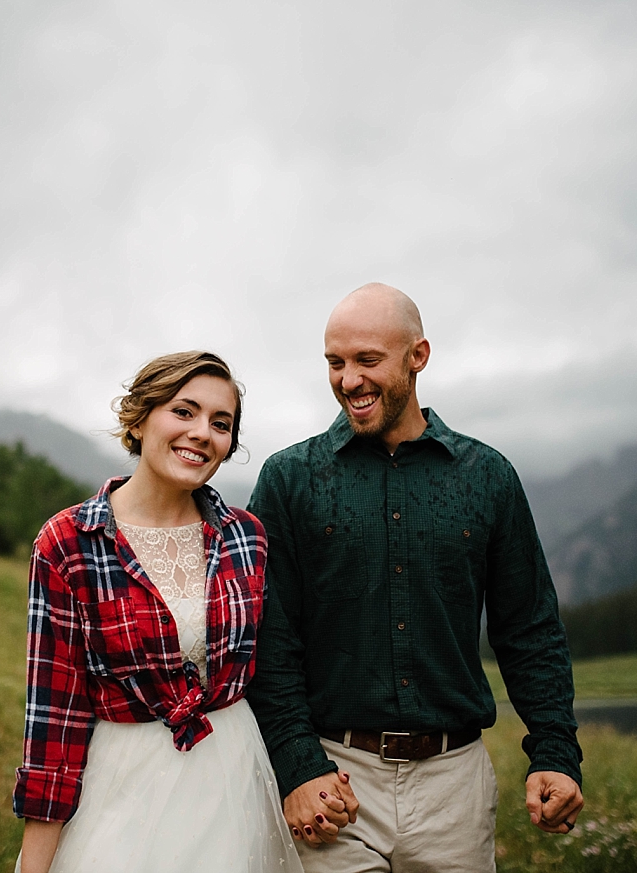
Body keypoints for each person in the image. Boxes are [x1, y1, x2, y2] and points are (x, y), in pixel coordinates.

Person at [246, 284, 584, 872]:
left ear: (418, 356)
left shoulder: (488, 476)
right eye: (335, 362)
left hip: (454, 786)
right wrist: (298, 766)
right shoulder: (289, 480)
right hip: (333, 777)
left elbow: (529, 628)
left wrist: (555, 750)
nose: (349, 380)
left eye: (367, 360)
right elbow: (269, 640)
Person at [12, 351, 315, 873]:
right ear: (139, 416)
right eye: (184, 411)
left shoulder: (247, 537)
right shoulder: (68, 542)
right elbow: (53, 718)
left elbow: (279, 672)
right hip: (122, 784)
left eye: (221, 424)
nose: (202, 433)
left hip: (234, 777)